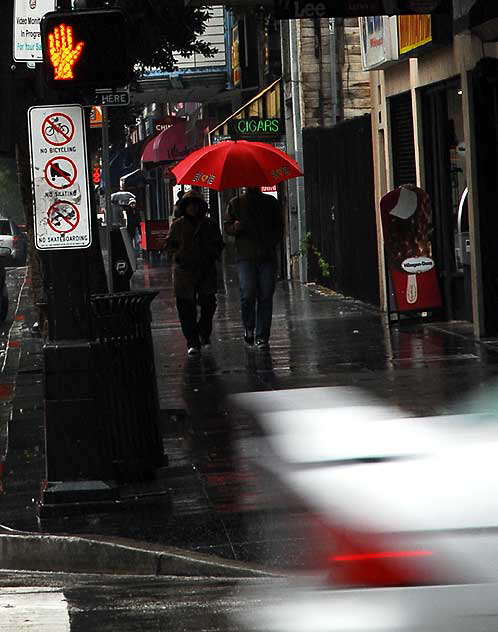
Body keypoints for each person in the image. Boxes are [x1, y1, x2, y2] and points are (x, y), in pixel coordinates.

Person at [224, 186, 283, 348]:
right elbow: (227, 227)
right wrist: (234, 228)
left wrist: (271, 242)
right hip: (245, 256)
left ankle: (262, 335)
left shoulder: (271, 203)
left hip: (267, 256)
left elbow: (279, 226)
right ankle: (249, 327)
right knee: (247, 293)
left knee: (265, 295)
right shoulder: (236, 203)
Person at [166, 191, 224, 356]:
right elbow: (169, 246)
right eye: (189, 205)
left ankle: (203, 333)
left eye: (196, 204)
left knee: (208, 304)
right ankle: (192, 341)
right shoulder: (178, 226)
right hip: (185, 272)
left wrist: (212, 254)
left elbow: (219, 243)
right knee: (185, 308)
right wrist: (178, 256)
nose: (193, 208)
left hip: (205, 270)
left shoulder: (209, 224)